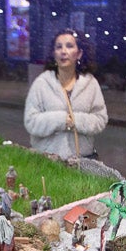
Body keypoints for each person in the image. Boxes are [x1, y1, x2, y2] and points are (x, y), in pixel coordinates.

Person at [24, 29, 108, 160]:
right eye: (59, 47)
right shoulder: (42, 83)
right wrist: (61, 120)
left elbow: (101, 119)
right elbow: (31, 122)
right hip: (47, 160)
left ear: (79, 53)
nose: (63, 51)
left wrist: (75, 121)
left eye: (69, 46)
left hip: (82, 160)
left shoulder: (90, 83)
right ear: (54, 53)